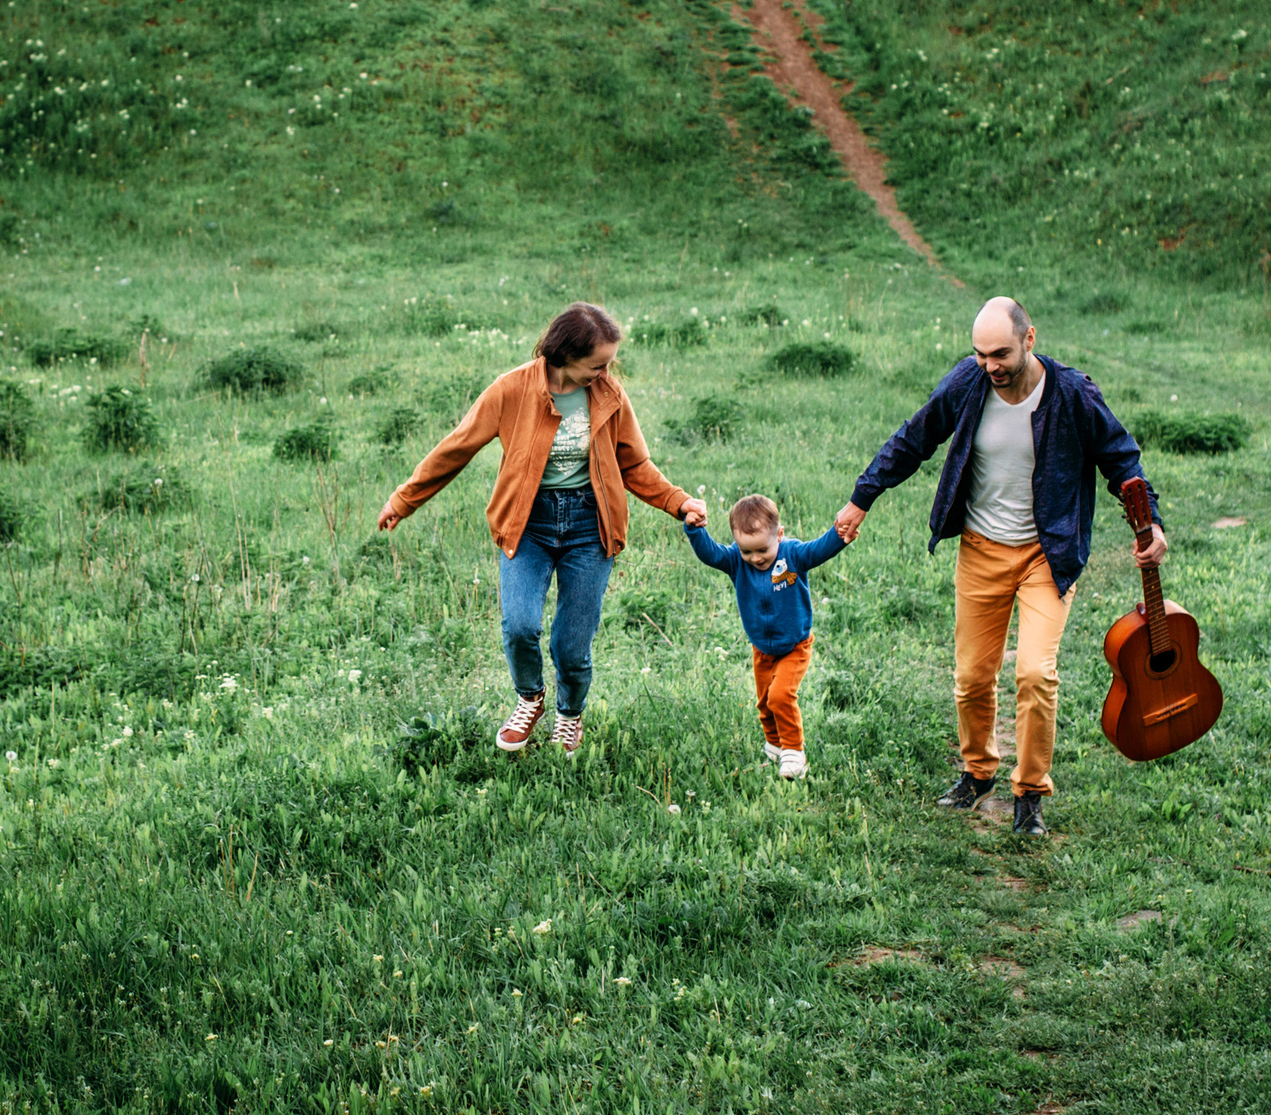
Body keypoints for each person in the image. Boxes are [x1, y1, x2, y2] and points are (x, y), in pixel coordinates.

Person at [831, 296, 1165, 836]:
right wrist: (861, 497)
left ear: (1030, 339)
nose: (991, 366)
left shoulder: (1074, 394)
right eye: (981, 354)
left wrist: (1152, 524)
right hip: (982, 550)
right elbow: (913, 439)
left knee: (1035, 673)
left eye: (1001, 353)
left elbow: (1121, 458)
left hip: (1046, 555)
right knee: (972, 677)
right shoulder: (968, 383)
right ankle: (977, 772)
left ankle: (1029, 793)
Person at [379, 303, 708, 759]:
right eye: (599, 363)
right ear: (566, 354)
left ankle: (569, 715)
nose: (608, 371)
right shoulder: (511, 390)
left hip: (590, 527)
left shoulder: (609, 395)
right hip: (527, 524)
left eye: (610, 362)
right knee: (519, 626)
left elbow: (634, 464)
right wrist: (405, 499)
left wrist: (678, 501)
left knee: (572, 645)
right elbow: (456, 448)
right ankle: (530, 698)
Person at [686, 493, 851, 780]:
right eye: (746, 551)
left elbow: (818, 550)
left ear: (780, 535)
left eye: (762, 550)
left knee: (780, 695)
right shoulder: (737, 561)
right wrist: (695, 529)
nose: (755, 558)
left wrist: (838, 535)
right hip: (761, 648)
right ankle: (774, 745)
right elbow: (711, 553)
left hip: (794, 645)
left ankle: (794, 753)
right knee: (764, 702)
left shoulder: (793, 555)